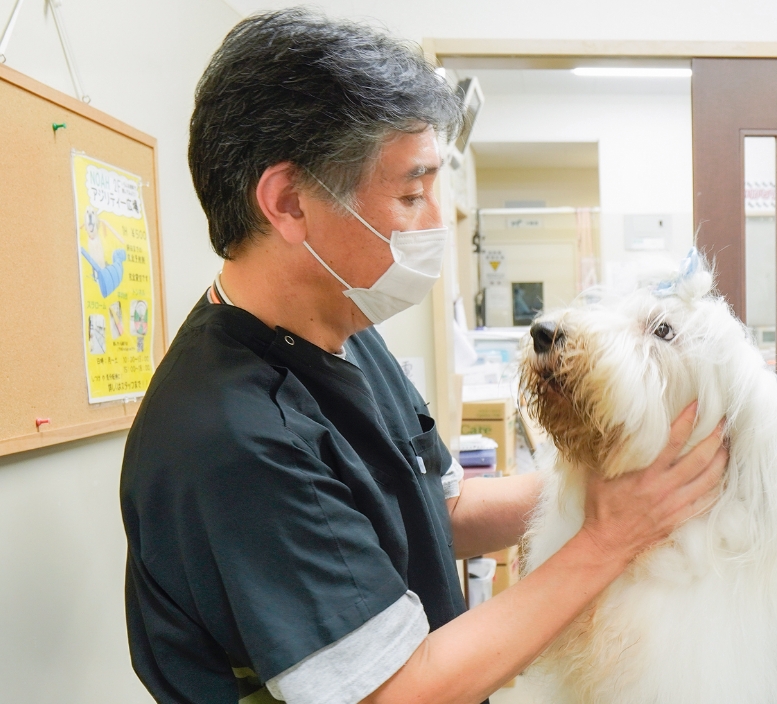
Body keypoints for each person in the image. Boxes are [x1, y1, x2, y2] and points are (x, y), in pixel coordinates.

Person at [119, 9, 729, 704]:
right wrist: (609, 537)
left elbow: (441, 509)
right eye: (411, 192)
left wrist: (630, 482)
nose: (439, 221)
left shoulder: (341, 329)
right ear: (288, 202)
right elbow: (394, 692)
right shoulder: (233, 438)